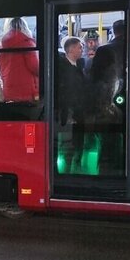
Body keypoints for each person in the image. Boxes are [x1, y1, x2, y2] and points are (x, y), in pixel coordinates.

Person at [87, 19, 128, 172]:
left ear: (114, 31)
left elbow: (95, 79)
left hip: (109, 101)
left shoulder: (105, 50)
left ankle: (108, 169)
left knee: (108, 139)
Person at [56, 36, 89, 171]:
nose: (82, 50)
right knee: (69, 143)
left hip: (79, 111)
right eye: (79, 47)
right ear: (70, 50)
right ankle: (68, 168)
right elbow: (66, 92)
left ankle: (76, 164)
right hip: (69, 113)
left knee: (78, 141)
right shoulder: (63, 68)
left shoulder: (80, 65)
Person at [0, 17, 39, 102]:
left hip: (8, 92)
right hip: (27, 93)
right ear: (25, 28)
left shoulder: (2, 46)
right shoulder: (27, 43)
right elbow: (35, 67)